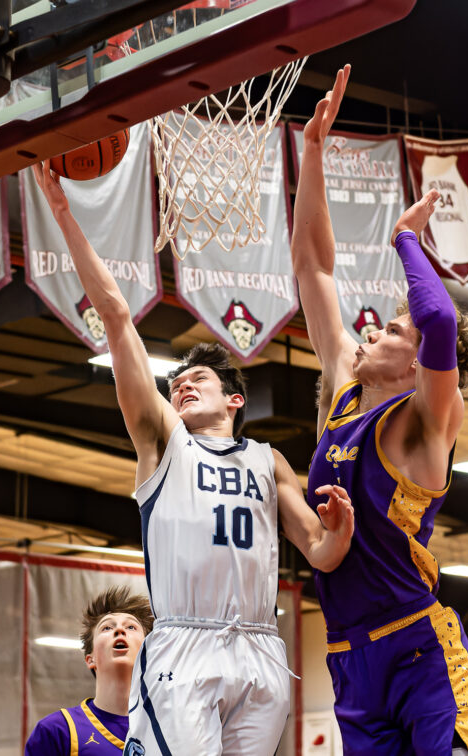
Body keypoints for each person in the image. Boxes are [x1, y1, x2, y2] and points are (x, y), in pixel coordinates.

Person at [31, 163, 356, 756]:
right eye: (175, 381)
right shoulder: (163, 441)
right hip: (184, 644)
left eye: (197, 378)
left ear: (234, 398)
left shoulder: (268, 460)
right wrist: (63, 216)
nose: (181, 386)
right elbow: (116, 315)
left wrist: (340, 528)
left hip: (260, 647)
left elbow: (320, 551)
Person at [291, 65, 468, 756]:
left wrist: (407, 240)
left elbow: (439, 322)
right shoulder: (346, 383)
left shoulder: (429, 417)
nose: (375, 329)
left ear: (417, 365)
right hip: (350, 661)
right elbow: (314, 269)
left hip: (418, 651)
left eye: (393, 330)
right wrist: (312, 153)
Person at [25, 586, 154, 755]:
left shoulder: (168, 728)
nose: (120, 630)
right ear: (90, 658)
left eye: (131, 627)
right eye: (107, 628)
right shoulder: (56, 730)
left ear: (148, 653)